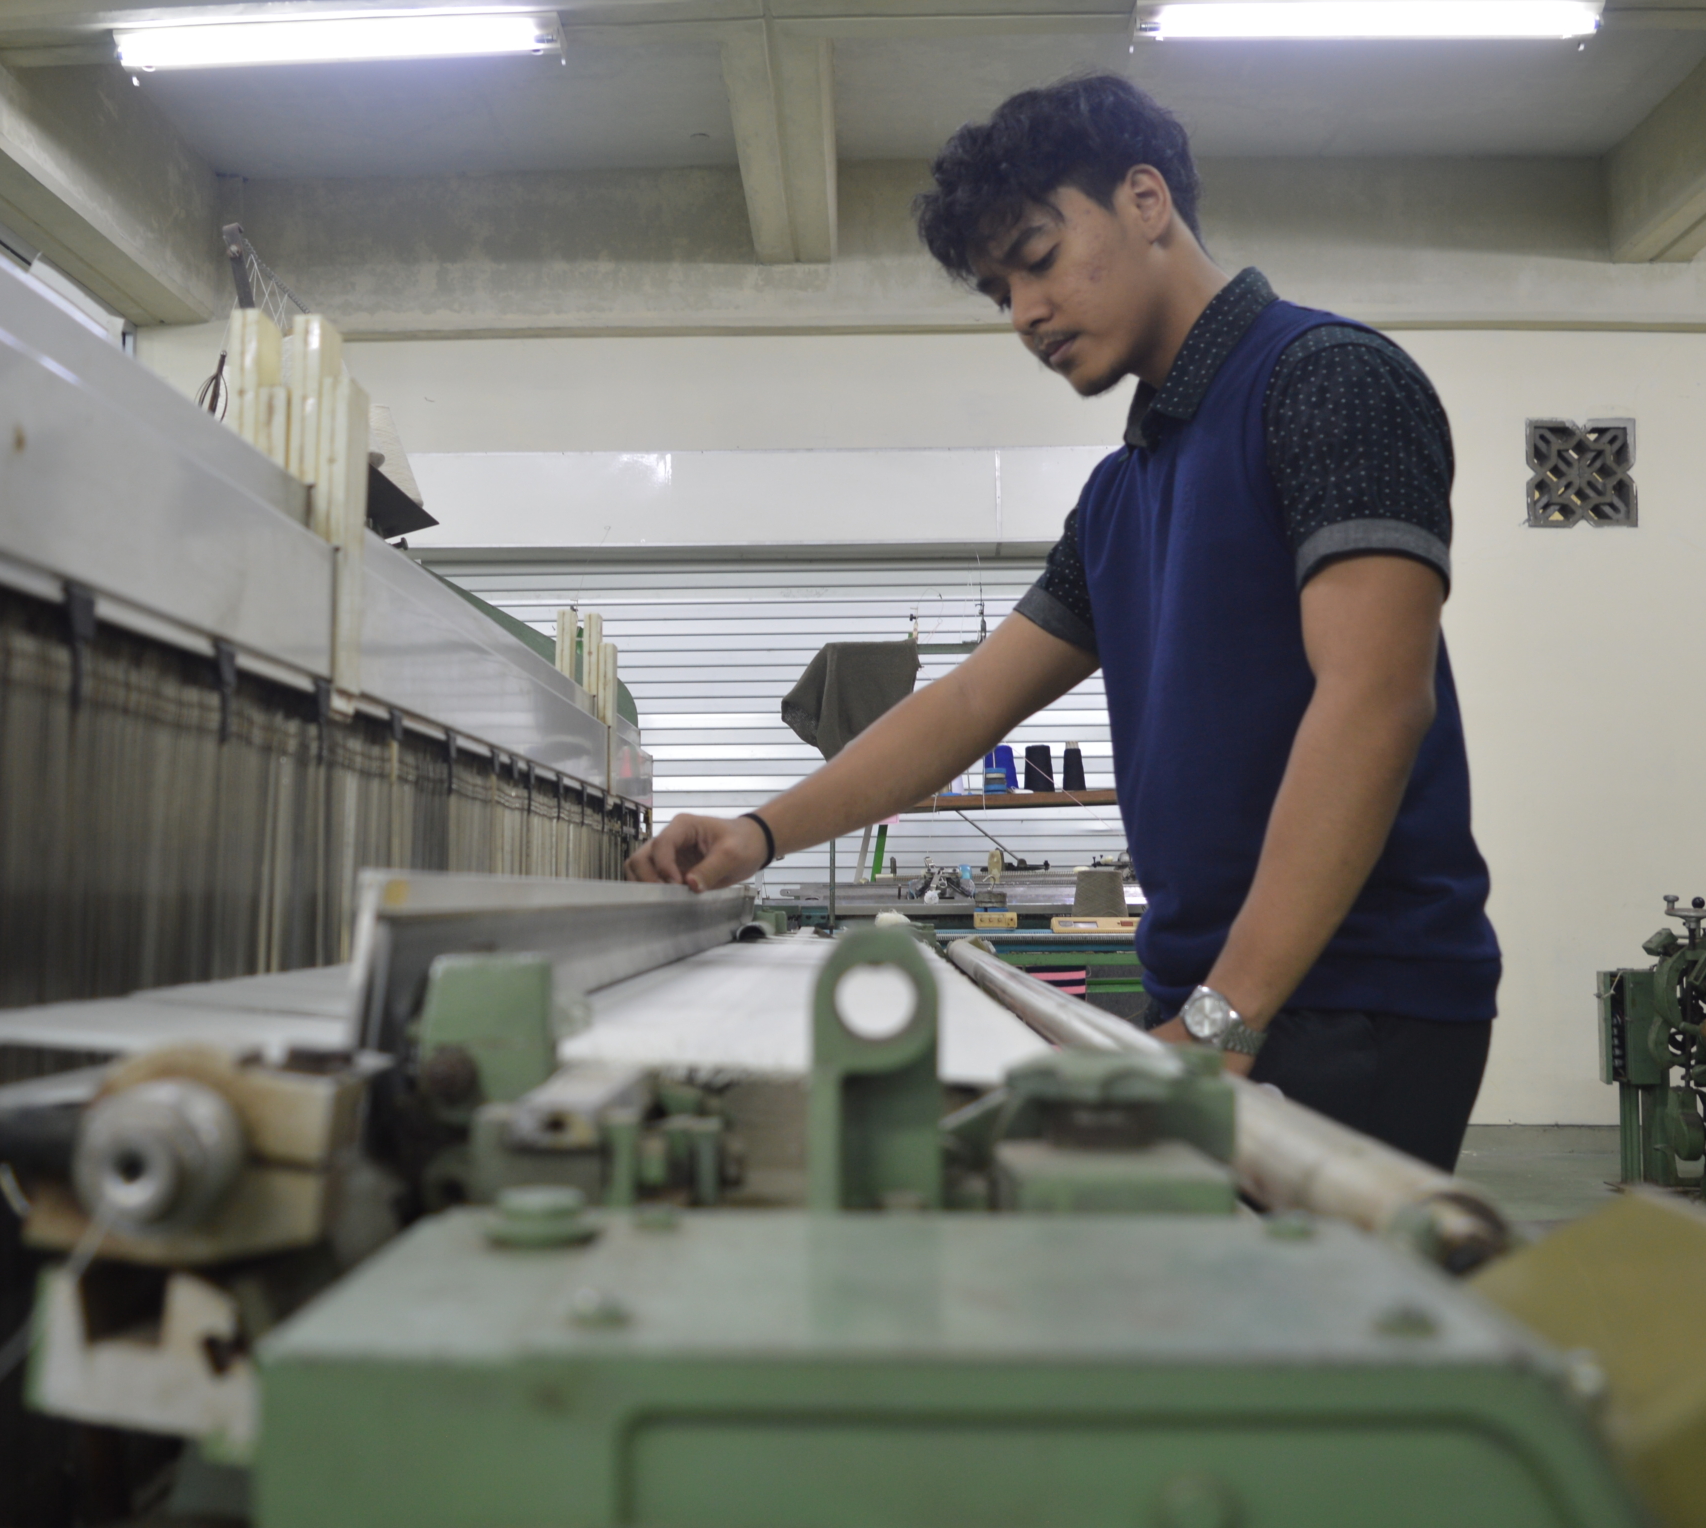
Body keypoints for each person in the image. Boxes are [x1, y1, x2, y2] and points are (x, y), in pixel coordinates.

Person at [626, 74, 1500, 1171]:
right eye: (999, 293)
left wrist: (1224, 1020)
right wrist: (758, 833)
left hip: (1355, 1001)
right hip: (1216, 996)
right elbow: (968, 703)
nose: (1025, 313)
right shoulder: (1119, 493)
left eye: (1036, 259)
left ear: (1145, 200)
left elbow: (1375, 701)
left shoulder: (1324, 384)